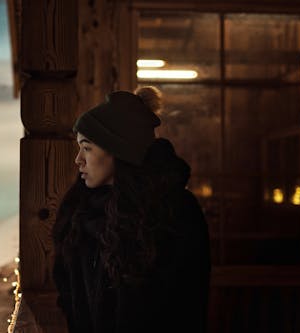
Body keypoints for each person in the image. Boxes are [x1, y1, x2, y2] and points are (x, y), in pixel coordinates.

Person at [52, 87, 211, 333]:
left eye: (87, 147)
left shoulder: (173, 215)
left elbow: (184, 308)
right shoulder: (81, 216)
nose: (78, 160)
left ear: (119, 150)